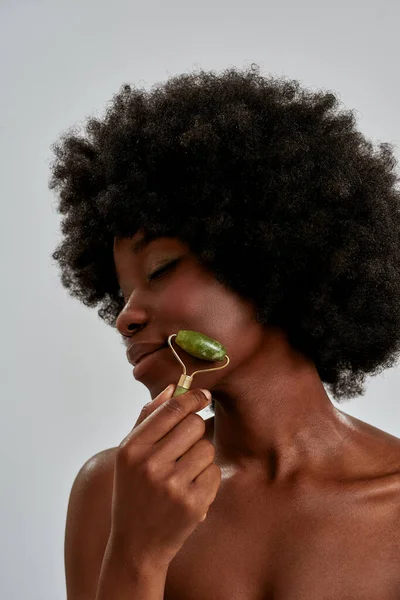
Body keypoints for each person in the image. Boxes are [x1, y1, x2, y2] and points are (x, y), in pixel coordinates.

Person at [50, 64, 400, 599]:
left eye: (161, 270)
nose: (125, 317)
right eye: (120, 296)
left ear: (267, 259)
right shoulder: (115, 491)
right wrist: (138, 554)